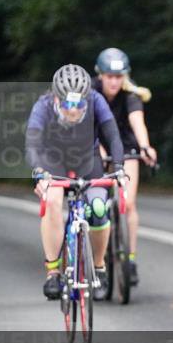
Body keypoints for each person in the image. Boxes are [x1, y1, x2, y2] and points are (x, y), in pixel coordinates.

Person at [26, 64, 125, 301]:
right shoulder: (43, 105)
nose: (73, 111)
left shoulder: (96, 100)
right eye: (68, 104)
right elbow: (33, 144)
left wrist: (119, 167)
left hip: (87, 158)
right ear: (56, 99)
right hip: (53, 159)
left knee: (98, 207)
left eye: (79, 104)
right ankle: (53, 273)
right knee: (52, 201)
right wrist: (39, 171)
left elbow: (113, 136)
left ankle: (99, 268)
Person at [92, 47, 157, 287]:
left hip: (126, 147)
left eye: (118, 77)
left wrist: (145, 147)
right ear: (100, 75)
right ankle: (99, 259)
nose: (114, 82)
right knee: (97, 207)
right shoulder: (91, 92)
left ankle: (130, 259)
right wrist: (96, 150)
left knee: (128, 203)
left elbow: (137, 122)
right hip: (98, 145)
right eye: (109, 76)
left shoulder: (130, 94)